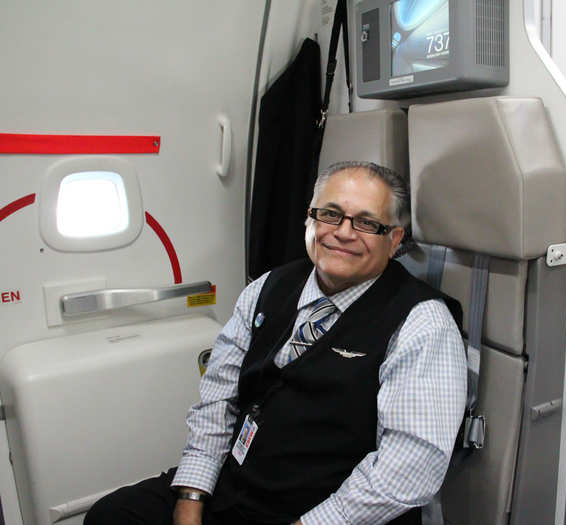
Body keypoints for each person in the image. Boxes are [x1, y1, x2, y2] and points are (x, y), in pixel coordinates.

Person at [85, 161, 467, 525]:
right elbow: (219, 399)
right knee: (111, 515)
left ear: (394, 239)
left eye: (367, 223)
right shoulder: (266, 288)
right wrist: (192, 498)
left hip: (329, 510)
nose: (344, 232)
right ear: (310, 219)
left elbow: (410, 467)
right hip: (240, 485)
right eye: (330, 214)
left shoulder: (423, 324)